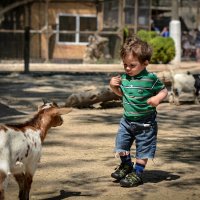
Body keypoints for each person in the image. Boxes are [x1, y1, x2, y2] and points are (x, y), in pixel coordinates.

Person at [109, 36, 168, 187]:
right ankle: (127, 165)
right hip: (126, 121)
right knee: (121, 146)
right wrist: (113, 87)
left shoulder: (150, 78)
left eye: (132, 65)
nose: (128, 68)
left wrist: (157, 99)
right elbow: (122, 95)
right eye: (125, 65)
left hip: (146, 123)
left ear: (145, 63)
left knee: (143, 149)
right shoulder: (124, 78)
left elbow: (164, 91)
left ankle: (138, 173)